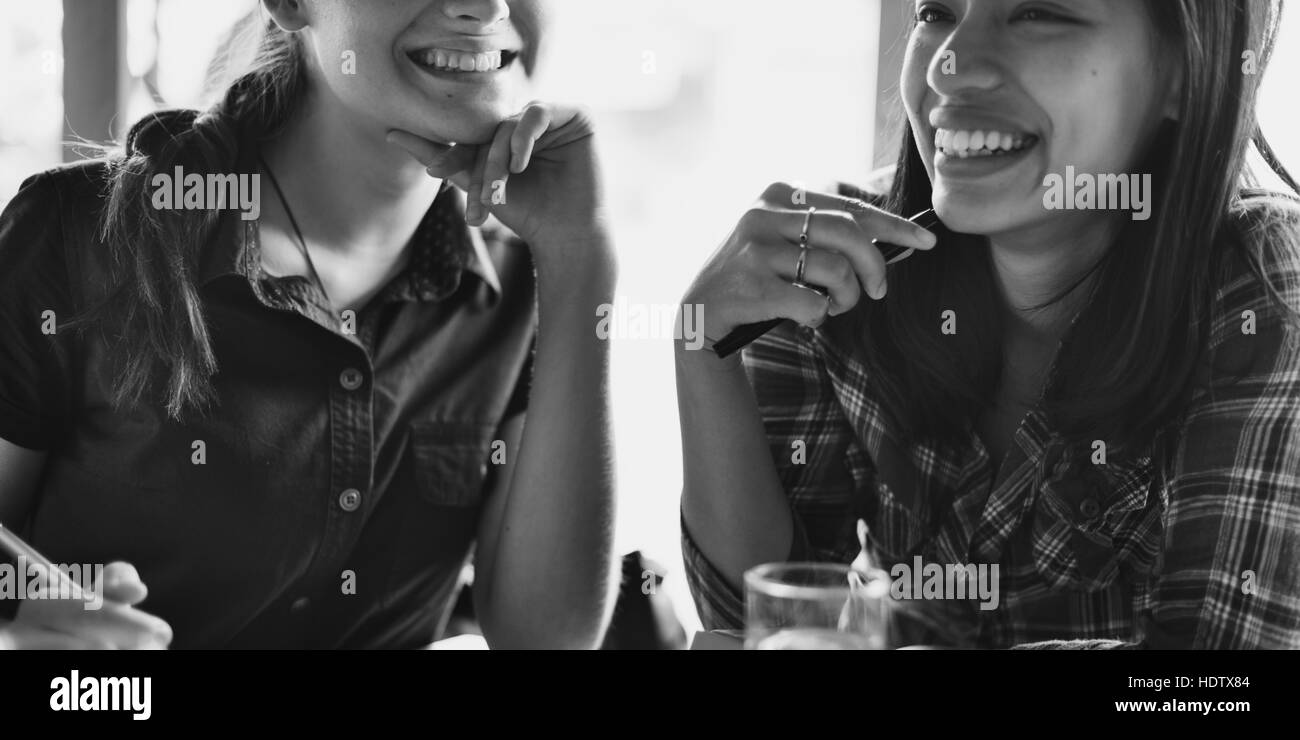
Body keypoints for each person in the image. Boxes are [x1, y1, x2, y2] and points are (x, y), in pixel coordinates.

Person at [678, 0, 1300, 648]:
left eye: (1035, 12)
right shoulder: (836, 269)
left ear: (1185, 71)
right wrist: (702, 348)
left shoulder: (1263, 288)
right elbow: (760, 624)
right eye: (936, 12)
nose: (949, 66)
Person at [0, 0, 617, 649]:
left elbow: (547, 642)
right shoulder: (76, 238)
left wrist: (582, 256)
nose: (486, 6)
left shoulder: (526, 277)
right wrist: (15, 619)